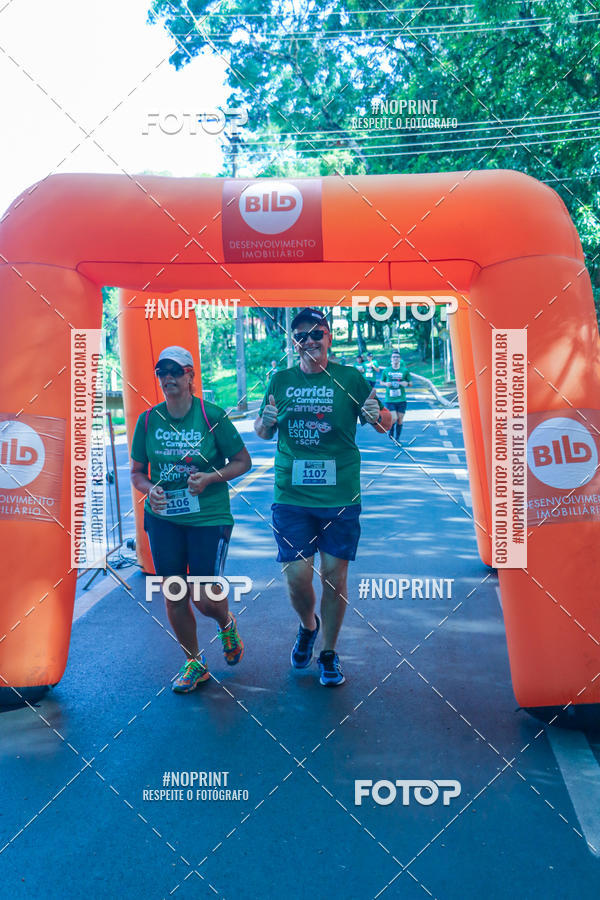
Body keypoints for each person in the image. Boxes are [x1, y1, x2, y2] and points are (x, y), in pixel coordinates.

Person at [254, 309, 391, 687]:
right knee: (297, 578)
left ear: (329, 337)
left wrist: (379, 415)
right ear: (293, 342)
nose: (310, 341)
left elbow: (383, 424)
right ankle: (307, 626)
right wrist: (265, 422)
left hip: (339, 495)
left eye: (317, 333)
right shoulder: (280, 380)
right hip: (291, 494)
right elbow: (262, 430)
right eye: (301, 336)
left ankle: (328, 652)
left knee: (334, 577)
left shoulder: (350, 378)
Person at [130, 346, 252, 693]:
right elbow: (137, 472)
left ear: (190, 375)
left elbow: (243, 462)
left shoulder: (211, 415)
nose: (168, 378)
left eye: (175, 371)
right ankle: (194, 663)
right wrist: (150, 489)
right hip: (164, 518)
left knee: (203, 598)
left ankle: (226, 622)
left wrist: (210, 478)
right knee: (174, 593)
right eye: (162, 372)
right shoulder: (148, 420)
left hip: (207, 517)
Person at [380, 351, 412, 443]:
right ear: (391, 359)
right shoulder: (386, 370)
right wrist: (386, 384)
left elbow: (410, 383)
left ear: (399, 359)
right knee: (394, 418)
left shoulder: (404, 371)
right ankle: (391, 431)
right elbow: (381, 382)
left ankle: (397, 438)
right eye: (394, 357)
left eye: (397, 357)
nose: (395, 358)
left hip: (401, 399)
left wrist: (406, 383)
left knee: (400, 419)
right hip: (390, 399)